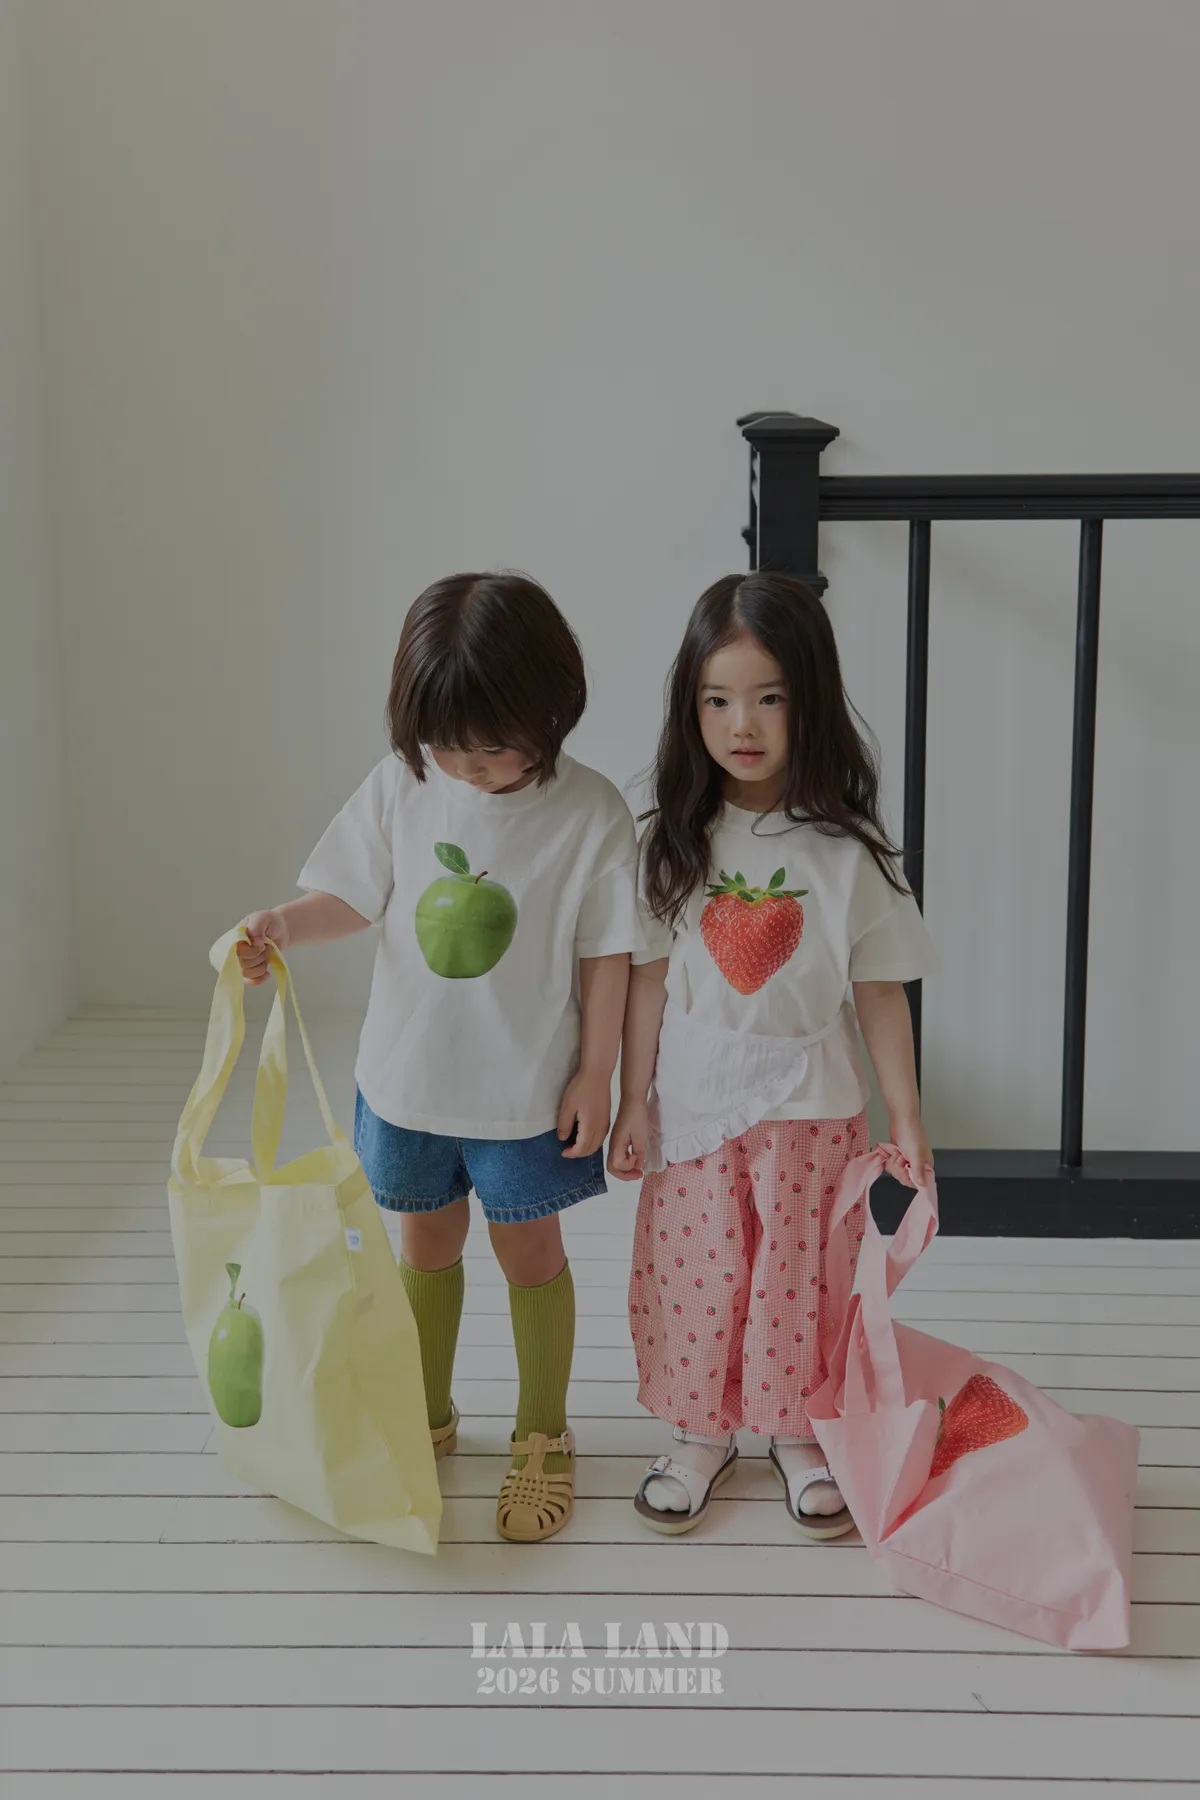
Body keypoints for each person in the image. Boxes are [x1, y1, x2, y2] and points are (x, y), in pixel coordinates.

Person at [238, 572, 644, 1542]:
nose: (467, 768)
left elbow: (609, 956)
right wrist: (283, 925)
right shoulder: (406, 784)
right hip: (411, 1083)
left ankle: (542, 1433)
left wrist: (599, 1072)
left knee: (529, 1251)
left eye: (492, 748)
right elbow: (353, 895)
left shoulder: (591, 814)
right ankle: (424, 1415)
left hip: (527, 1093)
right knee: (424, 1245)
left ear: (551, 709)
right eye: (447, 745)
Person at [609, 571, 936, 1537]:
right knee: (702, 1270)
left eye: (769, 698)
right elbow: (646, 980)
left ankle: (798, 1430)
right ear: (690, 707)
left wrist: (908, 1119)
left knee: (801, 1275)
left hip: (813, 1102)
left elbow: (881, 992)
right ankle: (699, 1432)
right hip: (695, 1103)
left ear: (811, 701)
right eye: (717, 700)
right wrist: (632, 1100)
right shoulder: (672, 840)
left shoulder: (849, 852)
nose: (741, 724)